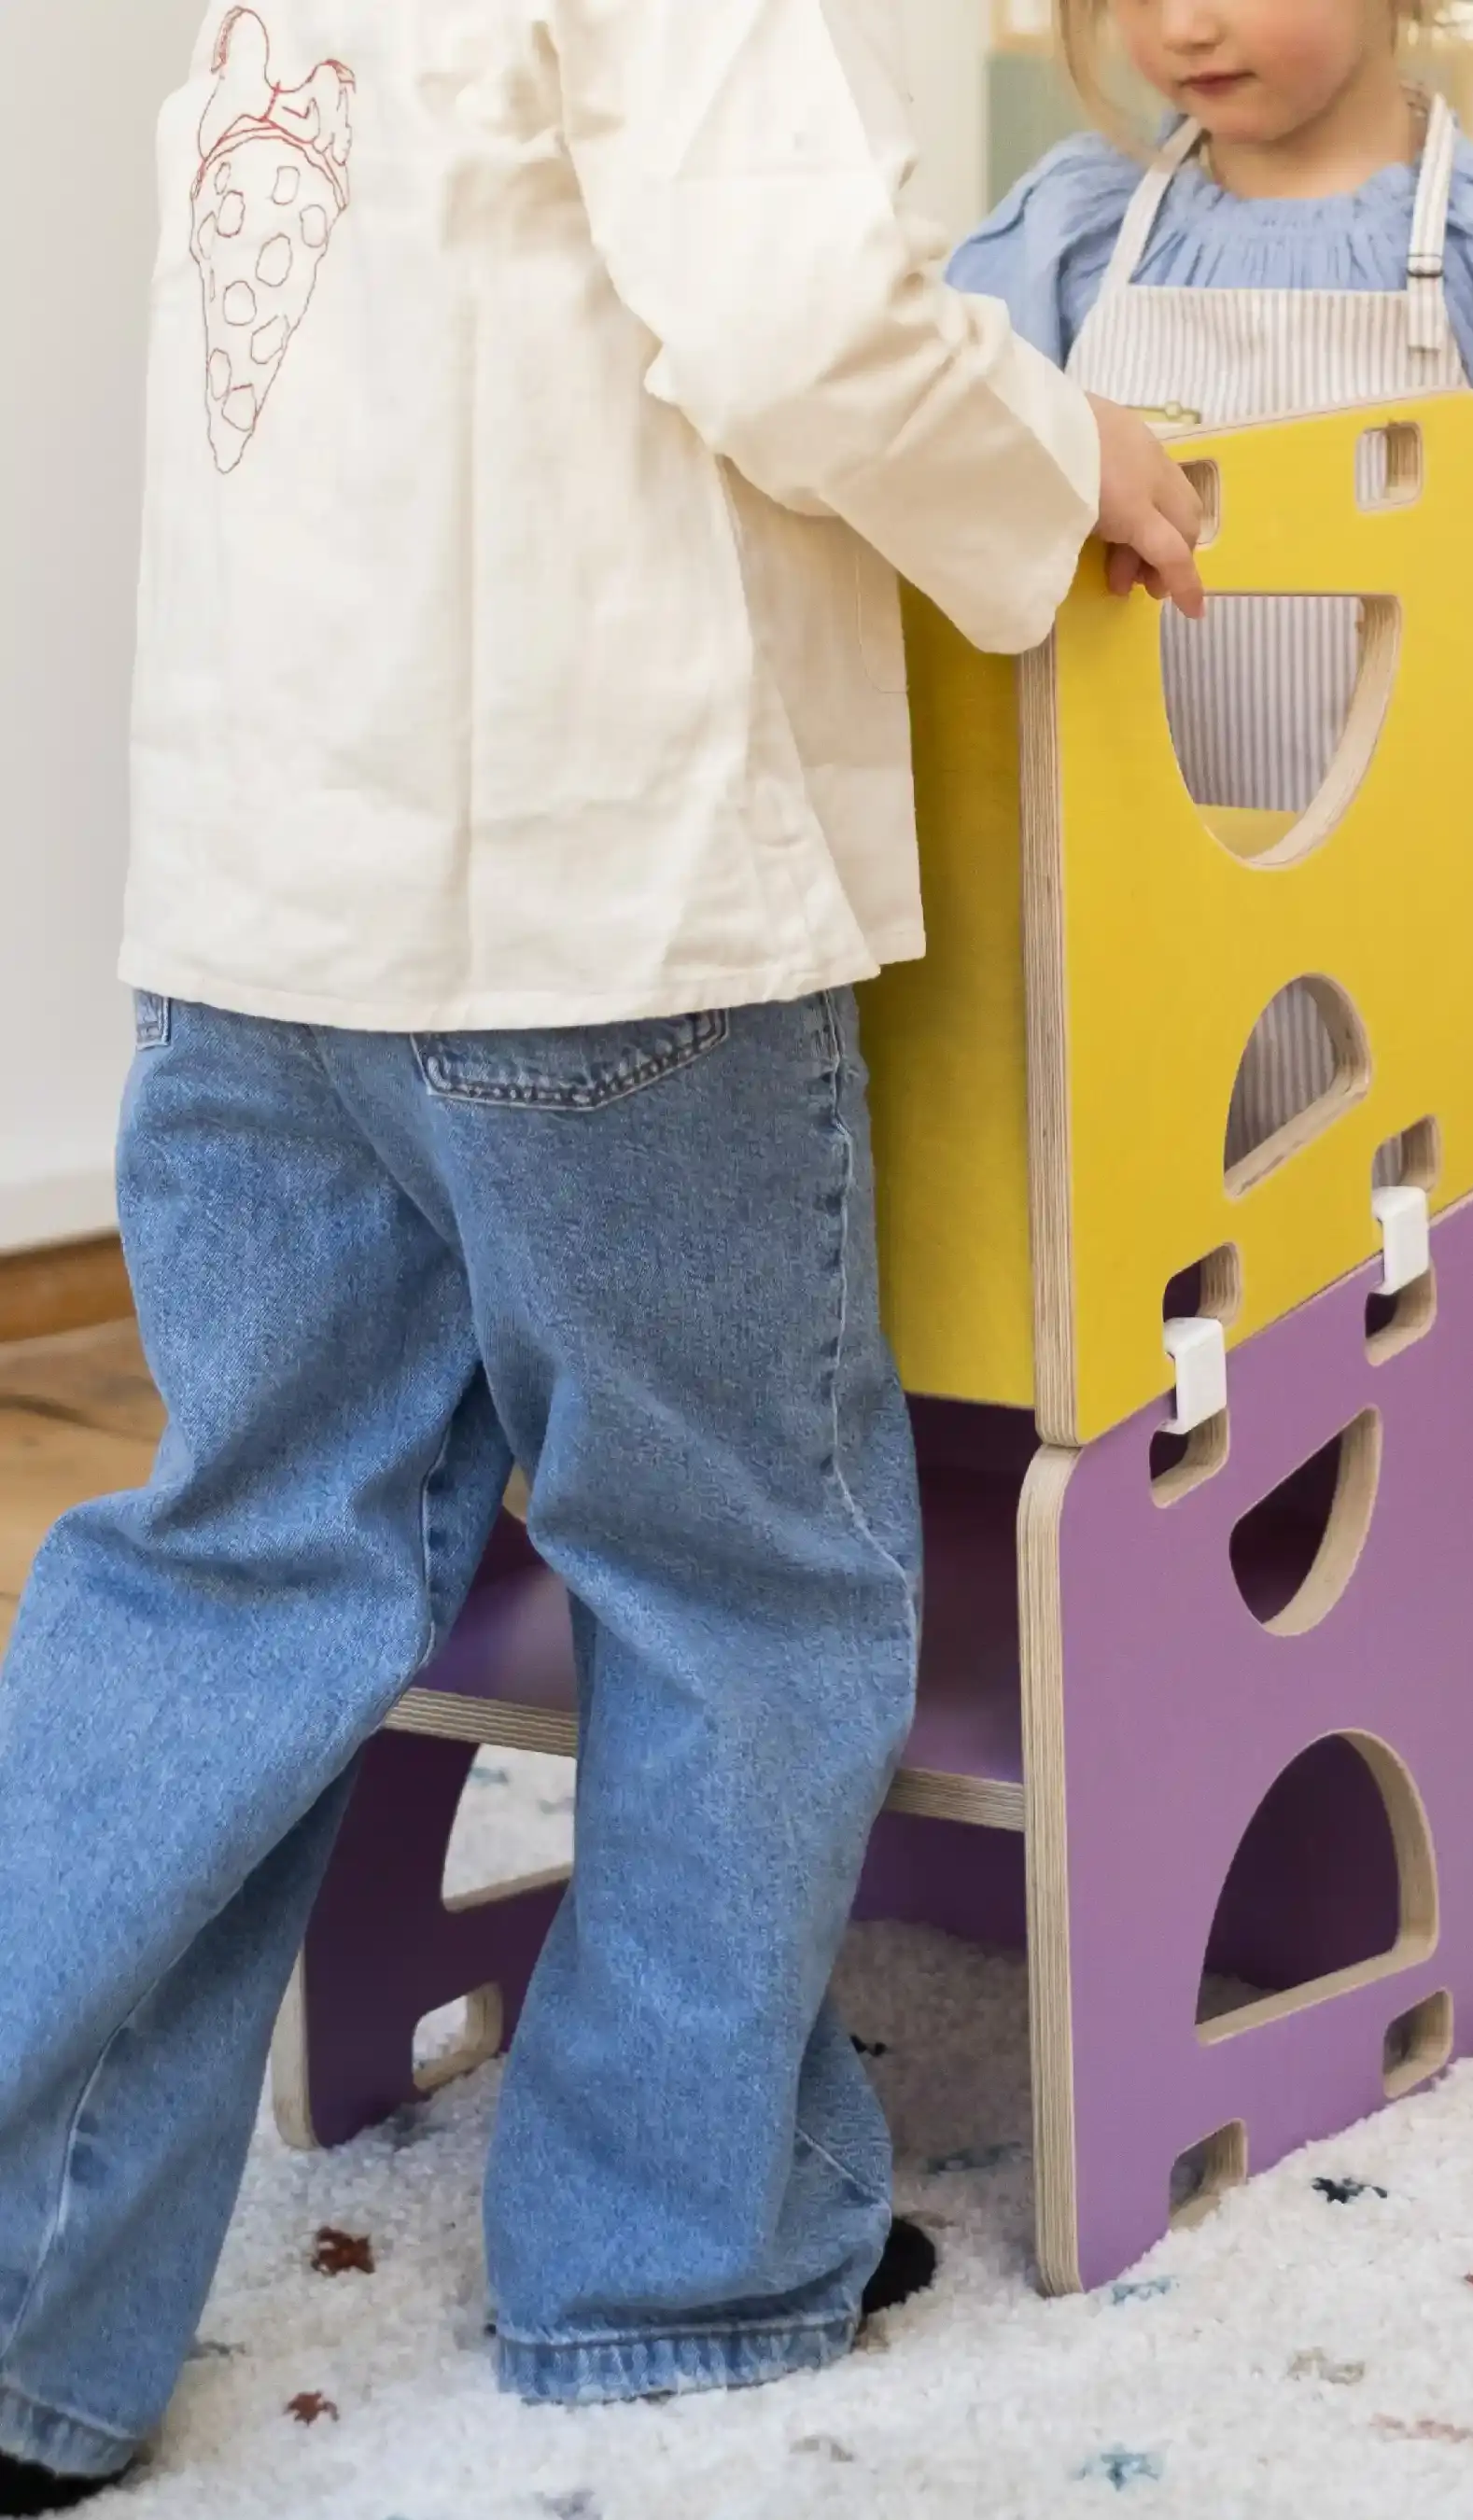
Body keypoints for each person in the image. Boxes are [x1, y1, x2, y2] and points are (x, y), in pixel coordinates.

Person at [0, 3, 1205, 2507]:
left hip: (260, 919)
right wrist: (1064, 449)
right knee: (738, 1569)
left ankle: (28, 2307)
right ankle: (674, 2252)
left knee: (242, 1559)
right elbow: (801, 324)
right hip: (607, 908)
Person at [951, 0, 1473, 1970]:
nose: (1182, 24)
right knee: (1189, 1349)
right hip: (1153, 926)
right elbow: (956, 461)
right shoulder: (1070, 235)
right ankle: (1235, 1744)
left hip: (1437, 918)